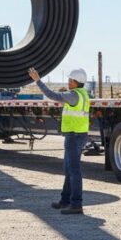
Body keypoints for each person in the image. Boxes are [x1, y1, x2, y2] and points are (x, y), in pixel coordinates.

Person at [28, 66, 90, 215]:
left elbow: (52, 95)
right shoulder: (82, 94)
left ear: (76, 82)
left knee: (74, 171)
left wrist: (38, 81)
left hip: (74, 136)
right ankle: (65, 201)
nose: (68, 82)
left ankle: (76, 204)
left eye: (70, 80)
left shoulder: (74, 96)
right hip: (76, 135)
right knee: (69, 170)